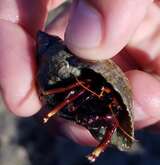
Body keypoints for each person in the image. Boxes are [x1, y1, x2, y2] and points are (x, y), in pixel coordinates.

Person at [0, 0, 160, 145]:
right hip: (79, 85)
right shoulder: (90, 86)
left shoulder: (108, 107)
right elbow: (83, 87)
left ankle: (99, 147)